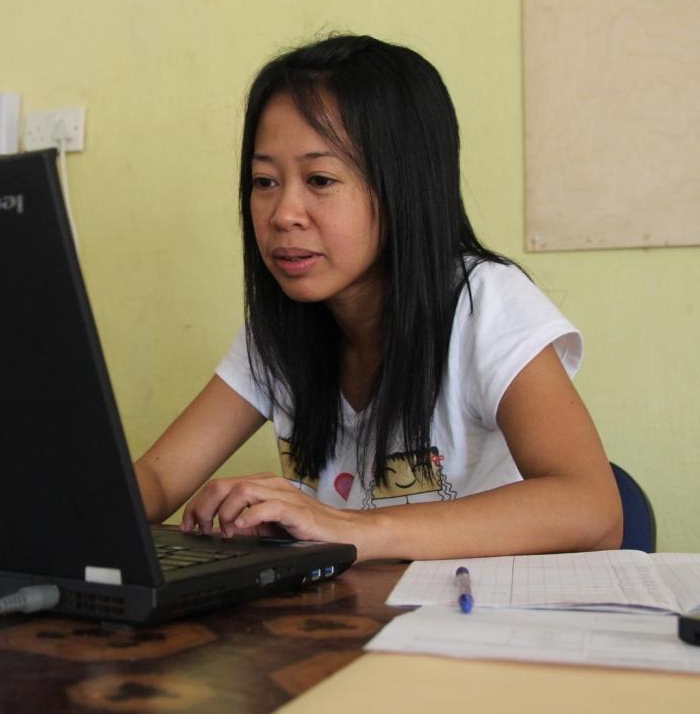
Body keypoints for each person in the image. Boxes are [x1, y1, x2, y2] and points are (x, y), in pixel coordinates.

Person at [133, 35, 622, 562]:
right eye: (264, 180)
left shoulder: (483, 303)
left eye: (319, 179)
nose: (282, 213)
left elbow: (593, 509)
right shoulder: (281, 330)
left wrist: (349, 527)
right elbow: (158, 479)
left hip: (472, 624)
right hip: (350, 625)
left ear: (402, 188)